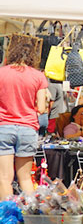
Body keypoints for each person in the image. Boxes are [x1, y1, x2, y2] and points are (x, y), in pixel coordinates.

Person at [0, 42, 48, 200]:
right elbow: (41, 108)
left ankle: (8, 220)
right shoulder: (38, 76)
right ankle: (31, 215)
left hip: (4, 127)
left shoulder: (1, 73)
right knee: (25, 178)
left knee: (5, 179)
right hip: (28, 128)